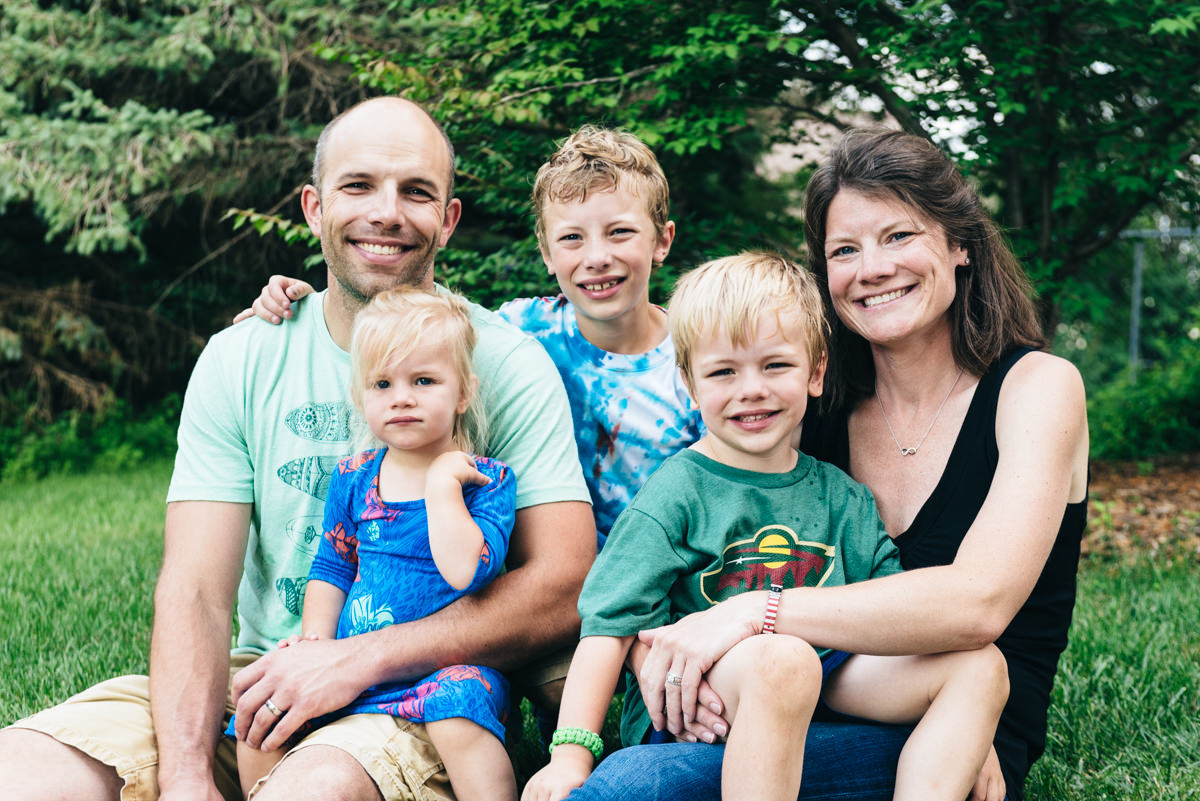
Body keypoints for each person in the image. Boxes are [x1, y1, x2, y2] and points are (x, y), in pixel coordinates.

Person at [0, 96, 594, 801]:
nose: (388, 212)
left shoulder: (501, 362)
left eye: (416, 192)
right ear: (313, 208)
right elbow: (194, 585)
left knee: (308, 788)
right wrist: (188, 776)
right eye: (358, 186)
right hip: (257, 680)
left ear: (449, 219)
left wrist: (354, 659)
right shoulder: (242, 356)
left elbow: (565, 581)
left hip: (419, 696)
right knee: (21, 771)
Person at [576, 128, 1088, 801]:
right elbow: (681, 572)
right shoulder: (809, 407)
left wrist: (758, 610)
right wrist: (659, 658)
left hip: (948, 727)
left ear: (961, 244)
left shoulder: (1035, 387)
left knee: (644, 783)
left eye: (898, 236)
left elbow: (979, 604)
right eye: (844, 249)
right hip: (789, 699)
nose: (871, 268)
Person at [521, 252, 1009, 801]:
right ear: (689, 383)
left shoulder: (843, 496)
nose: (751, 389)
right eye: (724, 372)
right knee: (785, 659)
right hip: (706, 703)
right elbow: (606, 625)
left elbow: (894, 614)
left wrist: (971, 727)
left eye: (774, 366)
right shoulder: (677, 491)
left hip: (834, 682)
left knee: (979, 665)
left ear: (816, 372)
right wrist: (570, 754)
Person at [241, 124, 705, 547]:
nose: (597, 257)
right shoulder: (522, 331)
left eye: (620, 232)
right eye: (572, 239)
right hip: (557, 586)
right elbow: (416, 320)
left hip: (668, 579)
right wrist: (302, 301)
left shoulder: (698, 359)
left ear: (662, 241)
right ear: (546, 252)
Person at [232, 287, 518, 800]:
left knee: (458, 715)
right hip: (354, 670)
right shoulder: (354, 479)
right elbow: (333, 566)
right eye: (382, 383)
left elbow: (468, 572)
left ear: (464, 393)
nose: (402, 396)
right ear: (361, 399)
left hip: (447, 671)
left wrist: (441, 487)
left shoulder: (484, 481)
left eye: (424, 380)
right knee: (262, 716)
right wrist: (317, 648)